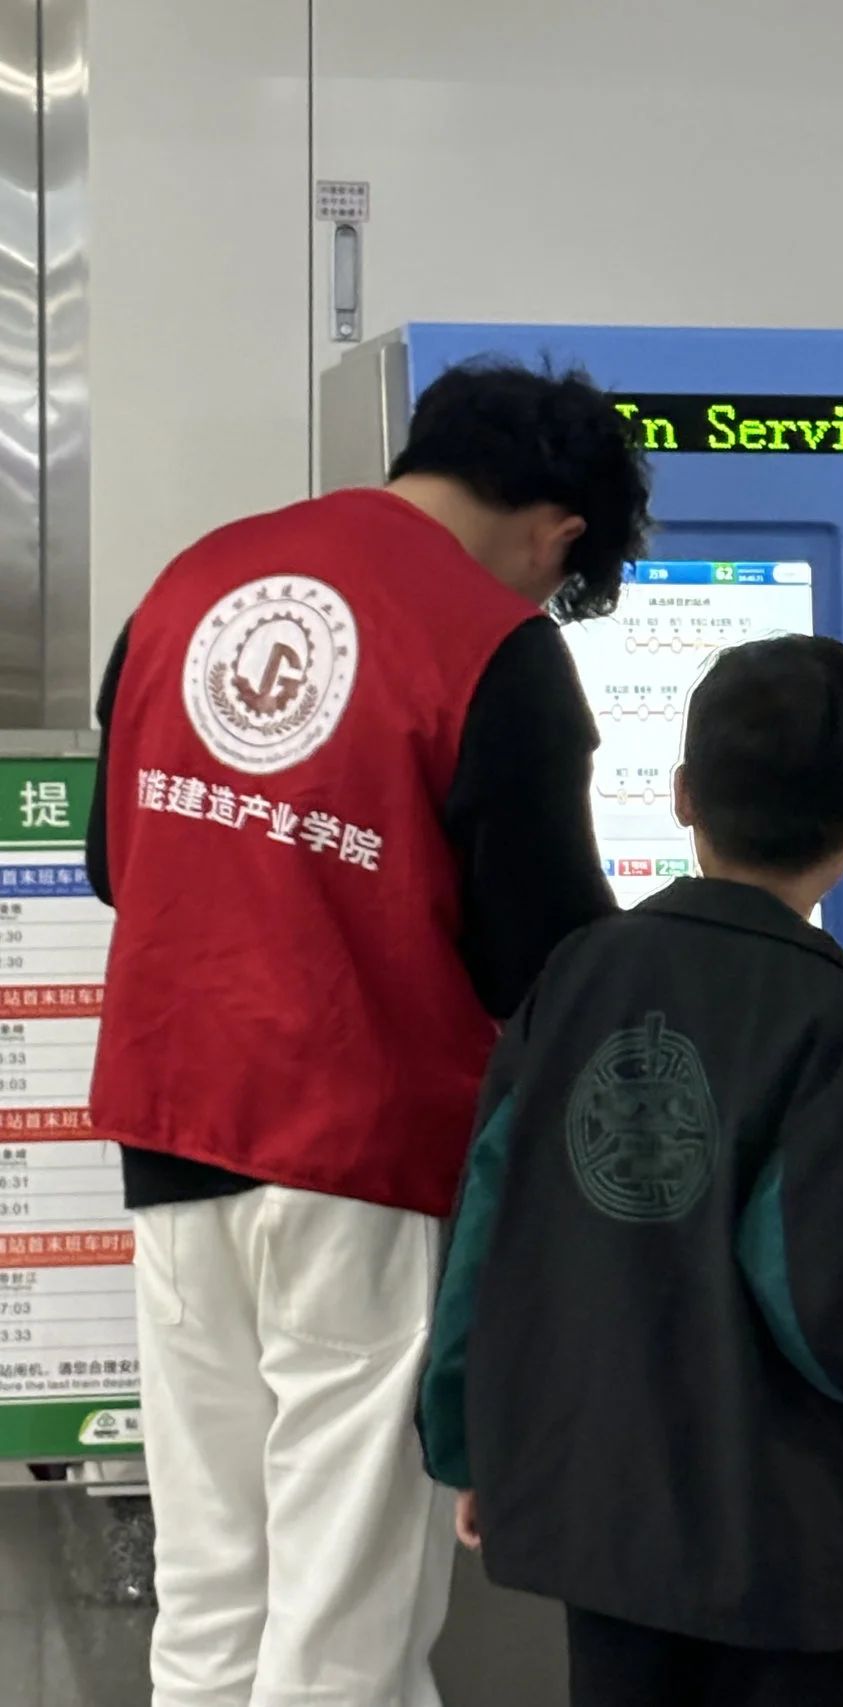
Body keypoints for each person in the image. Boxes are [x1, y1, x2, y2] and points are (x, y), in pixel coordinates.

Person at [86, 359, 649, 1707]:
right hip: (362, 1154)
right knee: (345, 1615)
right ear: (559, 533)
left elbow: (115, 861)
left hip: (173, 1127)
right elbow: (545, 958)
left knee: (212, 1587)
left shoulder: (191, 583)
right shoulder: (493, 643)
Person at [419, 634, 843, 1707]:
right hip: (789, 1560)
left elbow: (489, 1225)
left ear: (680, 796)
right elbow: (829, 1309)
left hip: (603, 1525)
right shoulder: (832, 1017)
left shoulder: (576, 974)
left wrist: (472, 1439)